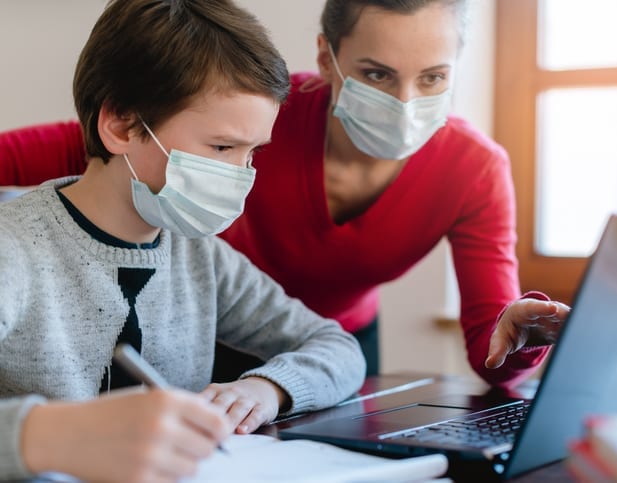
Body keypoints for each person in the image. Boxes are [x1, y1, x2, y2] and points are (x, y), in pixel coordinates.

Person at [0, 0, 365, 481]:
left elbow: (336, 347)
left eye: (252, 152)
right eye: (220, 147)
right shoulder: (14, 248)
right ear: (121, 125)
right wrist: (49, 435)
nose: (241, 175)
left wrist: (265, 388)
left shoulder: (199, 255)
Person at [218, 0, 570, 379]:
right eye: (376, 75)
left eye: (432, 77)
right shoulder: (265, 113)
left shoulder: (475, 168)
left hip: (340, 348)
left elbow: (492, 354)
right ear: (326, 58)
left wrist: (517, 335)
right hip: (218, 332)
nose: (404, 103)